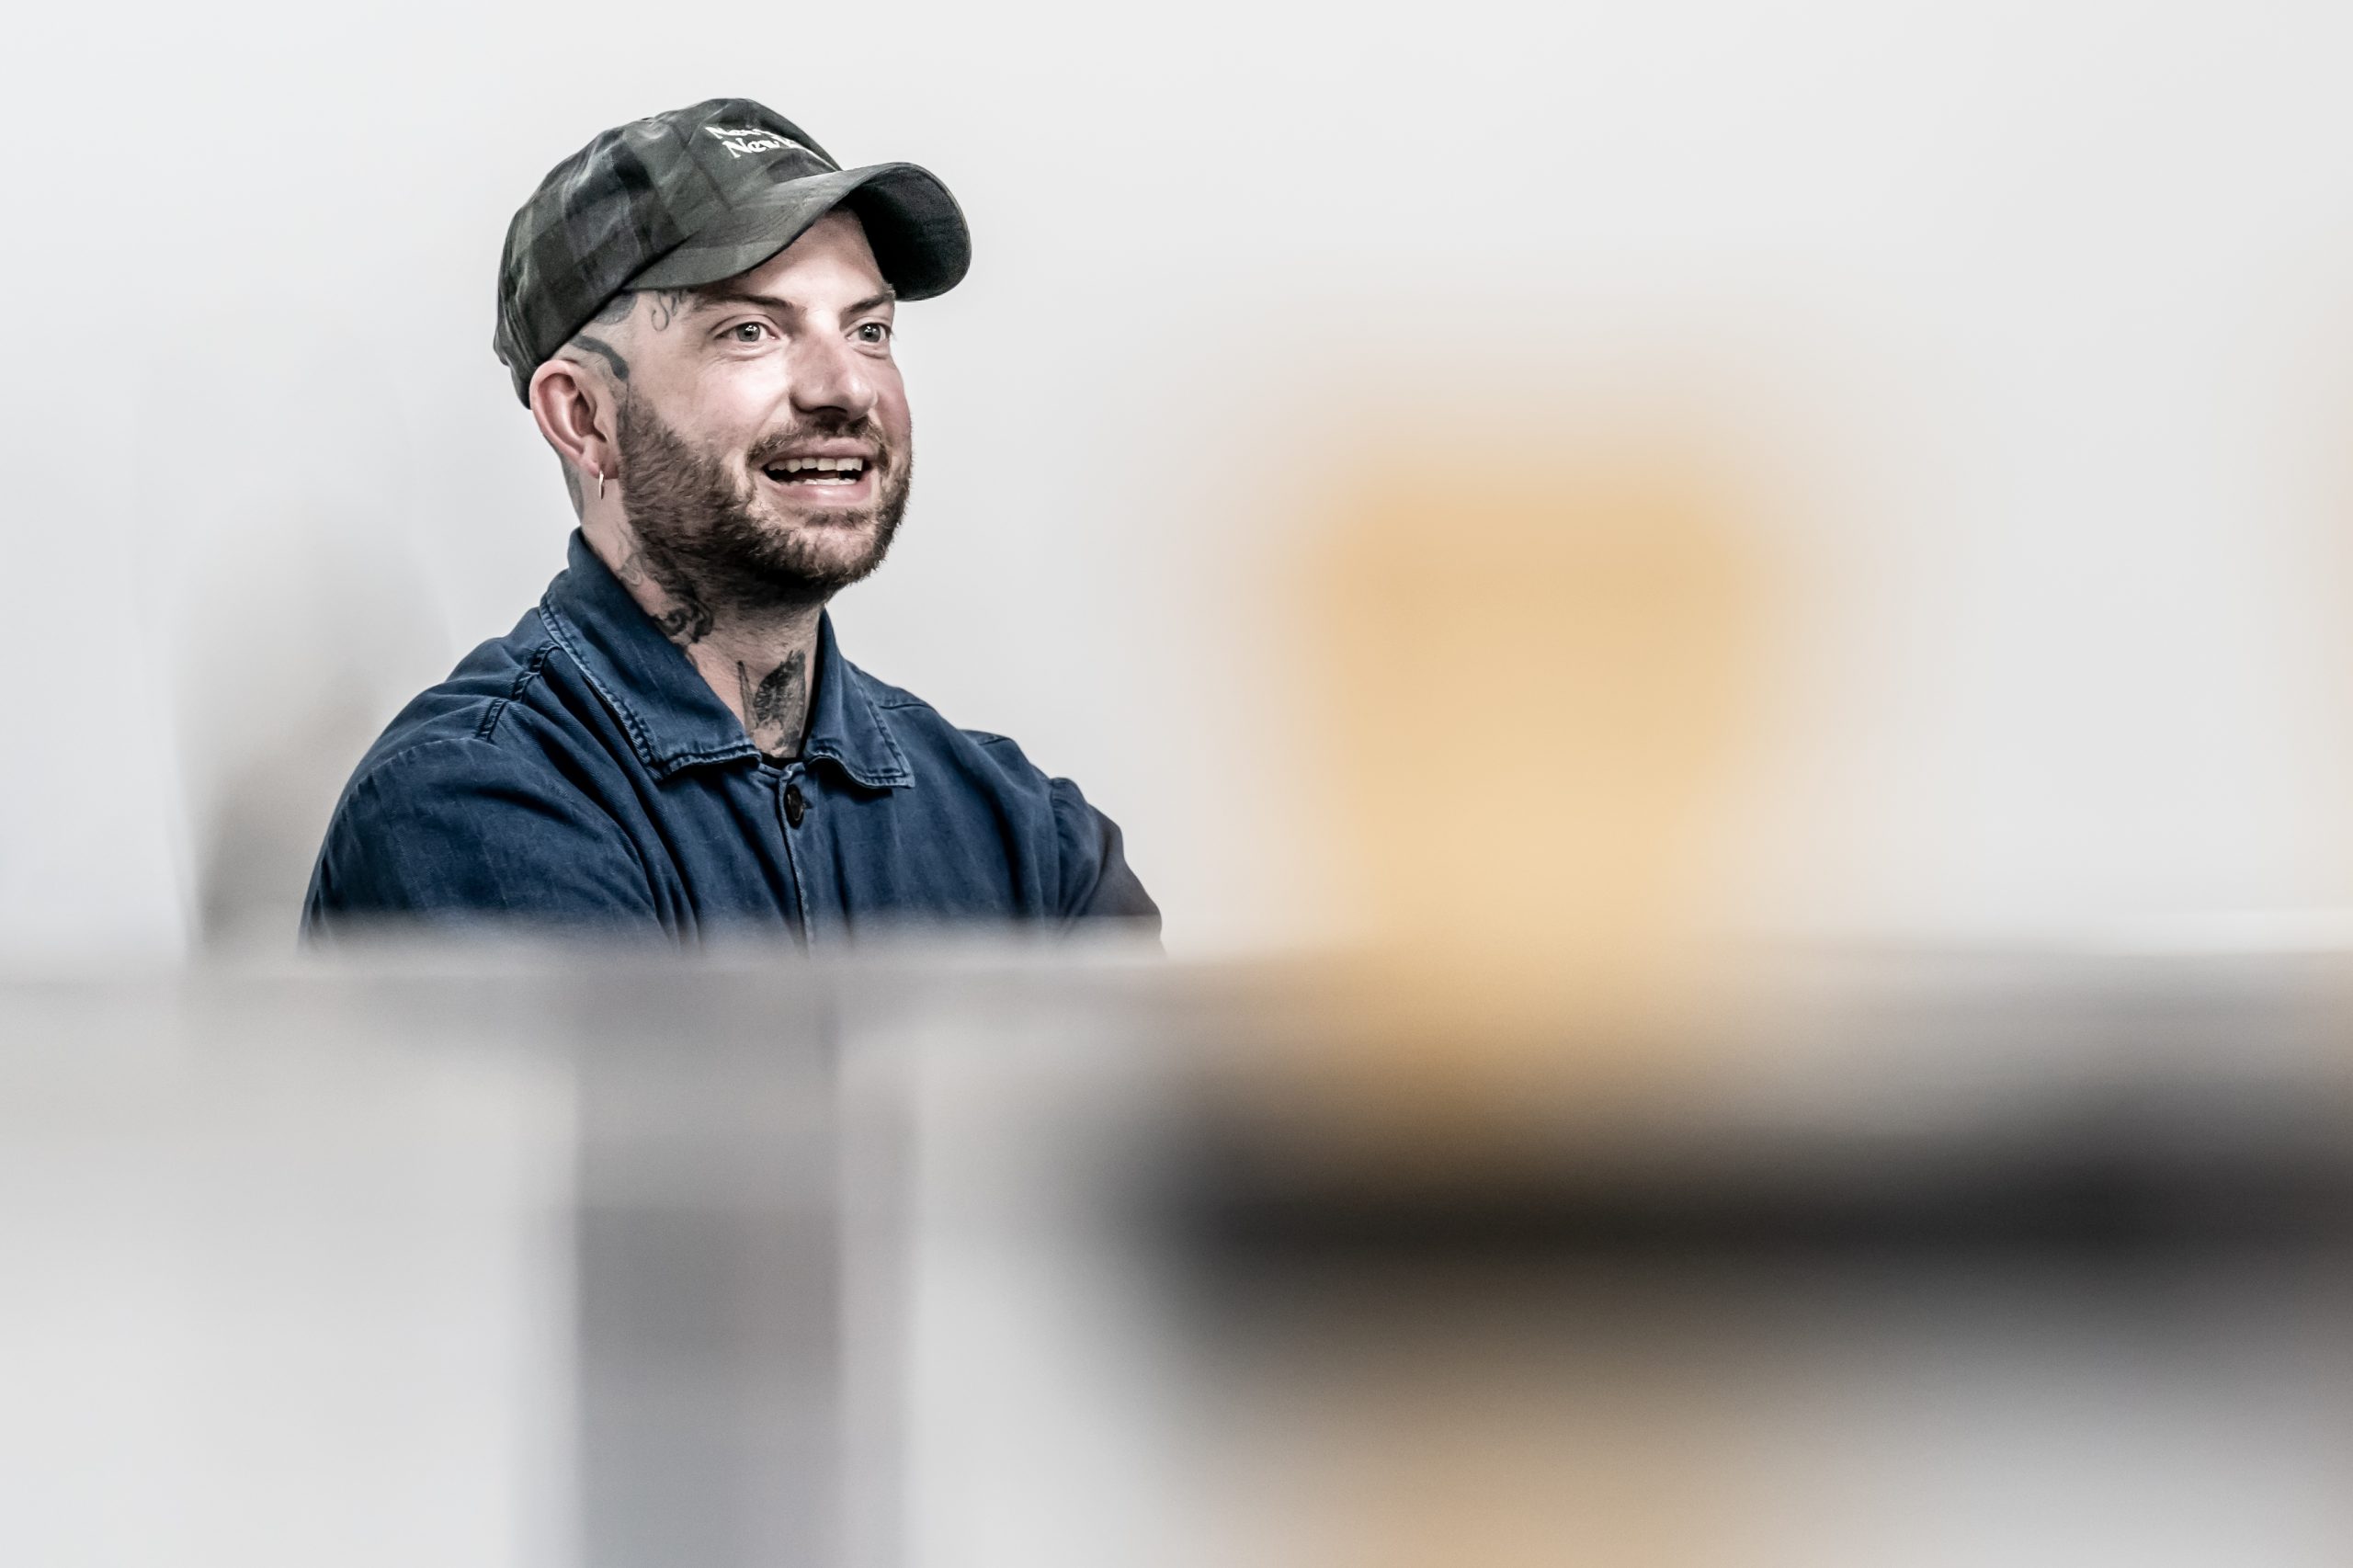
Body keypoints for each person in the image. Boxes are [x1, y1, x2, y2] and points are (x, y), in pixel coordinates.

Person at [302, 99, 1157, 942]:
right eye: (751, 330)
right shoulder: (472, 802)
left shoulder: (1029, 838)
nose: (846, 387)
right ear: (583, 417)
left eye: (868, 330)